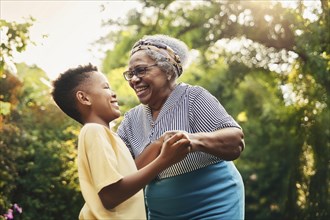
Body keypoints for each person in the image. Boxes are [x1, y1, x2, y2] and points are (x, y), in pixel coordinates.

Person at [117, 34, 246, 220]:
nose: (134, 80)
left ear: (168, 70)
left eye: (141, 70)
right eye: (131, 74)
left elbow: (236, 142)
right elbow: (124, 176)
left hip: (214, 204)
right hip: (163, 212)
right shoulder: (131, 120)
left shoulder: (193, 97)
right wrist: (159, 150)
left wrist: (191, 140)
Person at [51, 64, 191, 219]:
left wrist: (159, 143)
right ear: (84, 98)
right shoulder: (94, 131)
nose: (114, 94)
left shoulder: (108, 136)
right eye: (106, 88)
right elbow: (111, 195)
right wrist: (166, 160)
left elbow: (131, 175)